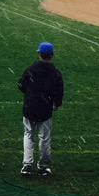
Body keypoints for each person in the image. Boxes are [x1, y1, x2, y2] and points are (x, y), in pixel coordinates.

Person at [18, 41, 64, 178]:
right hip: (45, 108)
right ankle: (43, 167)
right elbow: (59, 91)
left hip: (30, 107)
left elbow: (21, 85)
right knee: (44, 138)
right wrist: (57, 103)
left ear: (39, 54)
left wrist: (30, 94)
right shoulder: (55, 73)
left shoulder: (31, 69)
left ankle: (27, 165)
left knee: (28, 135)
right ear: (52, 55)